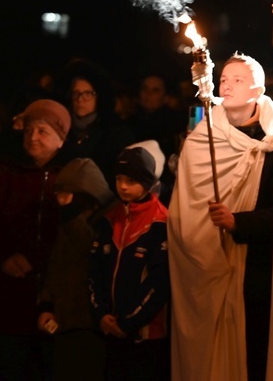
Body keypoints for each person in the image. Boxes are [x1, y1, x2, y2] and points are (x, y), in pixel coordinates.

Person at [167, 52, 273, 380]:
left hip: (263, 272)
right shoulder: (200, 144)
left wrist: (240, 222)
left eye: (238, 80)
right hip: (211, 270)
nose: (227, 86)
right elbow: (184, 218)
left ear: (257, 90)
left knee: (258, 358)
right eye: (224, 80)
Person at [0, 99, 71, 379]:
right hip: (9, 288)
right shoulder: (5, 171)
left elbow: (71, 234)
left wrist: (41, 260)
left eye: (43, 131)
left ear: (60, 140)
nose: (33, 137)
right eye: (29, 129)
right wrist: (3, 256)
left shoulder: (69, 177)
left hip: (50, 293)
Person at [89, 141, 170, 380]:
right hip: (110, 330)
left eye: (131, 181)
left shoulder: (160, 221)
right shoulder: (109, 218)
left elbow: (160, 282)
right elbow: (95, 272)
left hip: (145, 335)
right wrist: (101, 314)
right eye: (119, 179)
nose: (123, 187)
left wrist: (128, 322)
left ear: (147, 183)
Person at [37, 158, 115, 380]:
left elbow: (92, 251)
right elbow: (57, 263)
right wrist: (47, 304)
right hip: (64, 320)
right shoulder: (71, 220)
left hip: (91, 323)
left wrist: (71, 217)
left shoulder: (109, 218)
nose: (61, 202)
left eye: (67, 195)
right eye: (59, 195)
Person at [57, 59, 134, 186]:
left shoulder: (115, 133)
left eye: (88, 93)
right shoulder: (61, 128)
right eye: (76, 93)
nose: (80, 99)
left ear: (99, 96)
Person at [126, 74, 184, 206]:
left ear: (165, 97)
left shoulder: (174, 126)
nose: (148, 94)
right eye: (145, 89)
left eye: (155, 90)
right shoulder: (128, 124)